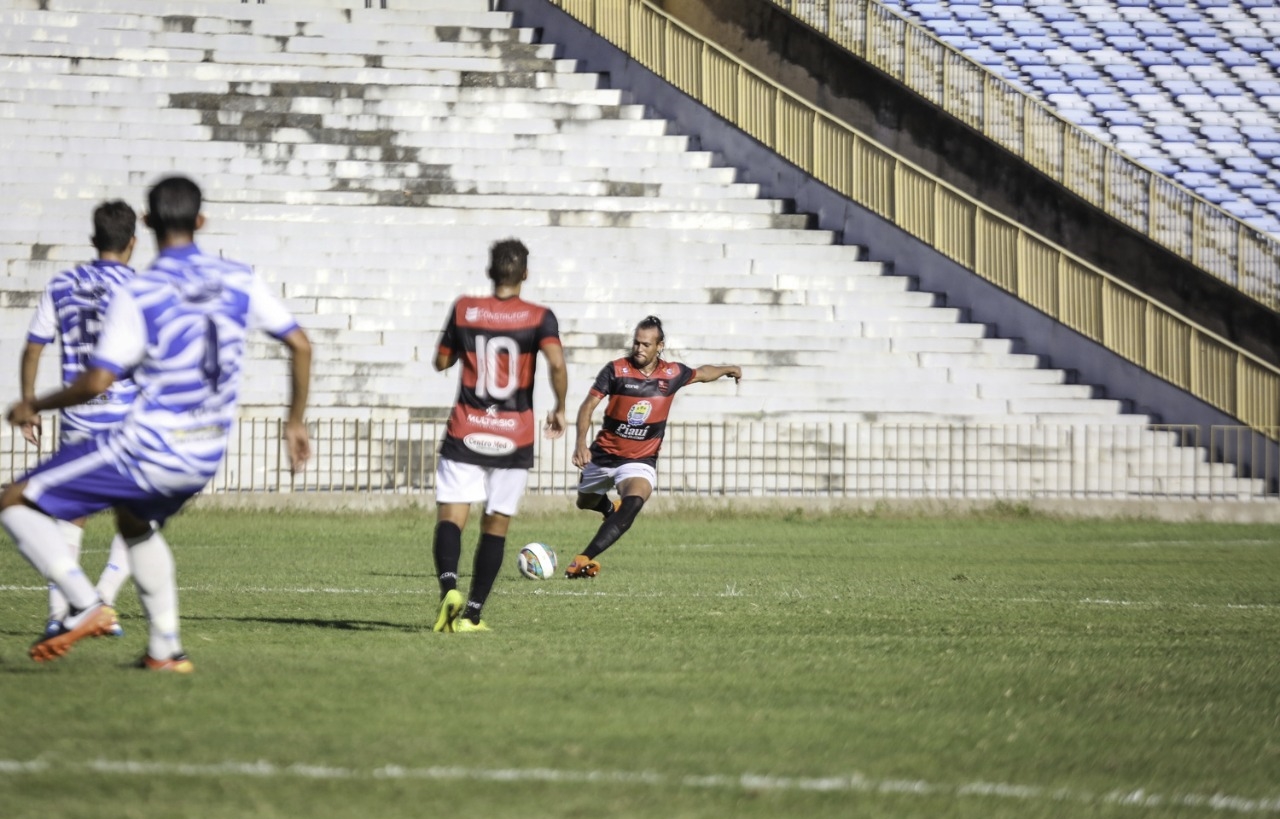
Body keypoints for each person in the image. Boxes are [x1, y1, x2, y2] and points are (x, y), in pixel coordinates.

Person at [1, 175, 312, 672]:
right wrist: (294, 421)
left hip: (149, 448)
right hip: (206, 453)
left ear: (146, 223)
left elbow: (97, 381)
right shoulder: (238, 278)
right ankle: (165, 650)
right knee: (133, 520)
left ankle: (85, 605)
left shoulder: (142, 289)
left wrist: (34, 403)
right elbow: (300, 343)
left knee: (14, 499)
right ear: (201, 221)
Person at [431, 238, 568, 633]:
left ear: (490, 272)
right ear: (525, 274)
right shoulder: (540, 316)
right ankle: (472, 614)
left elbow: (441, 361)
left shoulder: (464, 309)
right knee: (496, 524)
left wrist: (466, 344)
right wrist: (559, 407)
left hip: (466, 428)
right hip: (514, 434)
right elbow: (556, 363)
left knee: (453, 516)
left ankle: (449, 591)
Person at [20, 200, 140, 640]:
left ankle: (58, 613)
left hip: (76, 414)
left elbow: (34, 346)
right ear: (133, 243)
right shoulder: (139, 288)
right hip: (124, 416)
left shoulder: (62, 283)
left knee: (68, 517)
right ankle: (104, 598)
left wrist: (31, 403)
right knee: (140, 513)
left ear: (94, 240)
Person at [567, 315, 742, 578]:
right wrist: (581, 443)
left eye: (646, 344)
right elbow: (588, 406)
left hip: (640, 460)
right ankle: (606, 508)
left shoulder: (672, 374)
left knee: (634, 502)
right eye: (637, 343)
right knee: (584, 501)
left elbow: (704, 374)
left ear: (659, 346)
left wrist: (728, 368)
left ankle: (583, 559)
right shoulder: (615, 370)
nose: (639, 349)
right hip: (604, 455)